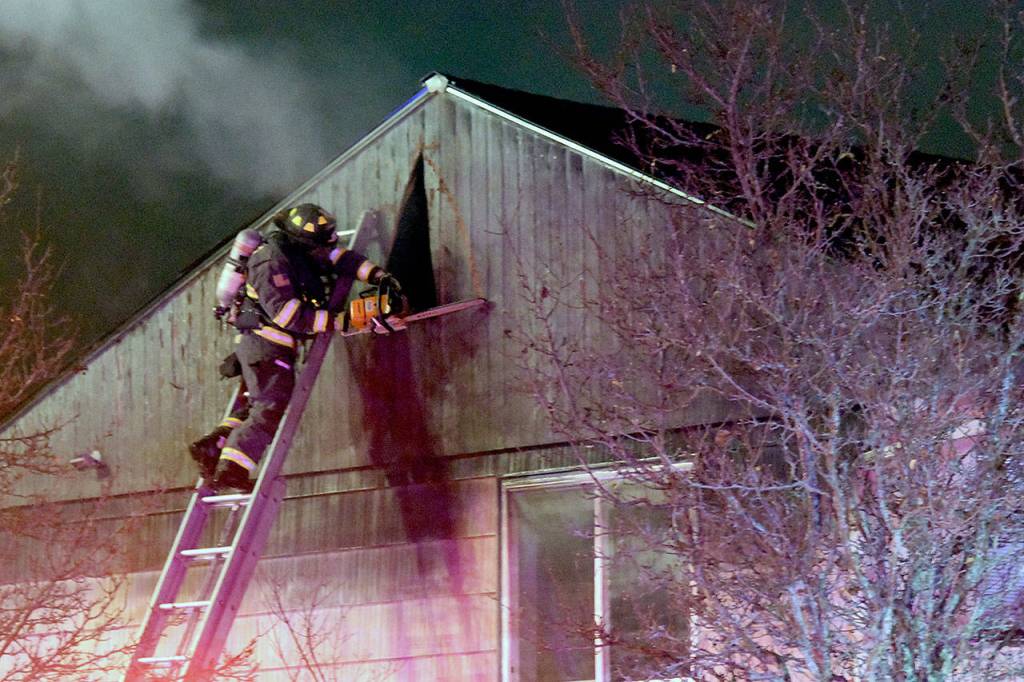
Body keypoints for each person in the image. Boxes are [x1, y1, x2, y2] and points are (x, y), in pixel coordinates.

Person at [189, 203, 400, 492]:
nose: (323, 251)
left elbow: (338, 257)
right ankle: (232, 470)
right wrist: (342, 320)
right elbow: (289, 316)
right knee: (269, 407)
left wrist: (378, 276)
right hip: (267, 346)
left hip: (262, 346)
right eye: (318, 246)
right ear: (303, 241)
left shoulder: (301, 251)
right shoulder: (270, 263)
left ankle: (214, 446)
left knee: (254, 404)